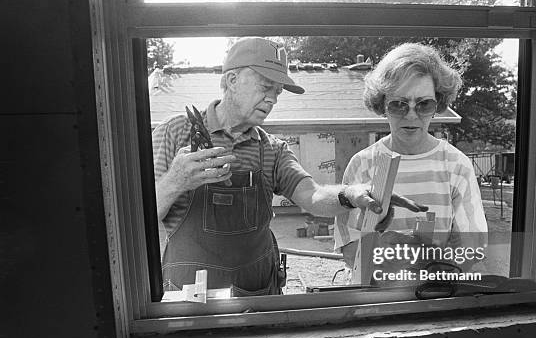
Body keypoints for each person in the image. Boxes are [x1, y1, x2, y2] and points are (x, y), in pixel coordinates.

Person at [153, 37, 426, 296]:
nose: (273, 99)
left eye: (277, 92)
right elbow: (138, 218)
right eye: (265, 87)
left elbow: (313, 197)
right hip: (189, 303)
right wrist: (175, 181)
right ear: (232, 80)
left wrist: (352, 194)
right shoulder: (175, 132)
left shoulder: (272, 149)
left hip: (258, 297)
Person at [334, 42, 488, 275]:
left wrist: (424, 267)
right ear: (382, 105)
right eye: (398, 105)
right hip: (376, 297)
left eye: (424, 104)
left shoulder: (456, 165)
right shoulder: (363, 164)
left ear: (438, 103)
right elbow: (348, 246)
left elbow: (473, 245)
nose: (411, 115)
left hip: (434, 292)